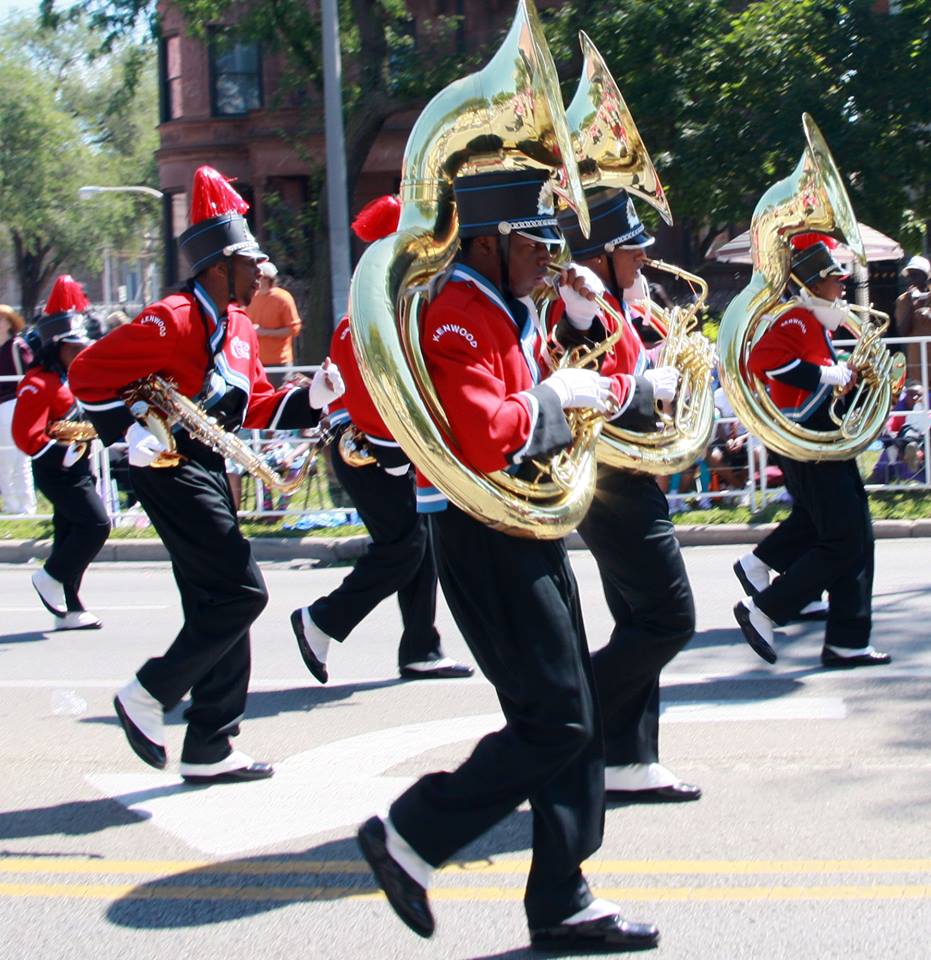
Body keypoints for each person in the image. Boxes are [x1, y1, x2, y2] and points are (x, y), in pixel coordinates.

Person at [357, 170, 659, 952]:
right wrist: (557, 396)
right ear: (491, 244)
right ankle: (413, 834)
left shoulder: (503, 307)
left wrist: (597, 342)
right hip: (480, 534)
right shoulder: (457, 312)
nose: (552, 255)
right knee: (553, 720)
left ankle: (562, 897)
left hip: (522, 525)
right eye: (538, 240)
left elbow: (581, 386)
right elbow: (485, 430)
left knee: (577, 718)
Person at [68, 166, 345, 785]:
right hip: (167, 469)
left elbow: (251, 410)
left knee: (218, 600)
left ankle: (211, 744)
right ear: (220, 265)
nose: (262, 271)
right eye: (252, 260)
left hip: (211, 468)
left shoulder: (242, 329)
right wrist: (127, 432)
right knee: (244, 593)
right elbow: (86, 374)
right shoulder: (172, 319)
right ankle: (149, 693)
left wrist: (313, 397)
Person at [549, 188, 699, 803]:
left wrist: (663, 370)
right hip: (613, 486)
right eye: (632, 250)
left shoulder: (614, 305)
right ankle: (562, 727)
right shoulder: (585, 306)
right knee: (670, 619)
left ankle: (628, 761)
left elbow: (618, 372)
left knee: (640, 620)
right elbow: (574, 355)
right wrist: (644, 386)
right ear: (604, 256)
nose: (643, 259)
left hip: (627, 478)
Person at [291, 195, 473, 684]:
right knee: (404, 547)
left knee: (420, 544)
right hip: (365, 447)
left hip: (391, 449)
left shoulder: (401, 312)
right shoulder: (362, 322)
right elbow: (370, 399)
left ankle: (421, 647)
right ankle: (323, 620)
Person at [732, 234, 890, 669]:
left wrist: (847, 379)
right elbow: (761, 361)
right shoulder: (797, 320)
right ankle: (765, 607)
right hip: (808, 443)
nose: (841, 289)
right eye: (834, 282)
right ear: (814, 284)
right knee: (842, 538)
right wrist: (828, 376)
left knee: (852, 533)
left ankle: (847, 640)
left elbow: (818, 380)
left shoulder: (814, 325)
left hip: (823, 440)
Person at [12, 276, 110, 630]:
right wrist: (61, 451)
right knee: (97, 525)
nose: (80, 352)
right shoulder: (39, 383)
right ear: (55, 347)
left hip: (79, 463)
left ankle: (69, 608)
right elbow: (26, 435)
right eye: (73, 347)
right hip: (56, 469)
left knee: (69, 533)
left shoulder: (74, 378)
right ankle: (50, 575)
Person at [0, 304, 37, 515]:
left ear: (9, 323)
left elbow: (29, 376)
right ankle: (10, 504)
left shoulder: (17, 346)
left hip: (13, 404)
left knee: (18, 457)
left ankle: (25, 505)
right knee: (3, 459)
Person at [245, 260, 302, 385]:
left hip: (279, 363)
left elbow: (294, 329)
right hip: (254, 362)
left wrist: (264, 332)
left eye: (258, 276)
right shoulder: (250, 297)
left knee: (278, 398)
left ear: (266, 278)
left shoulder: (283, 298)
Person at [894, 254, 931, 381]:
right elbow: (903, 332)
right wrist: (911, 303)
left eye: (915, 274)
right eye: (909, 275)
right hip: (917, 368)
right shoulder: (903, 300)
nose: (911, 279)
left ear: (926, 277)